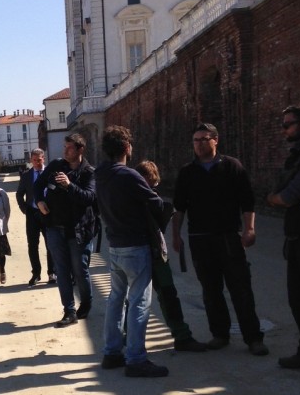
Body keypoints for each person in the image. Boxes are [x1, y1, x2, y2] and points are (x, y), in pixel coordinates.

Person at [171, 122, 268, 356]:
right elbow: (179, 207)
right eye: (196, 140)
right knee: (211, 290)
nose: (200, 144)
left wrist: (250, 229)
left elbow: (247, 201)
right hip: (199, 239)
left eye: (205, 139)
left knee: (240, 288)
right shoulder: (187, 172)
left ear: (216, 140)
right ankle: (220, 334)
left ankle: (253, 337)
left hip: (228, 237)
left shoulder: (232, 166)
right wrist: (176, 235)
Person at [95, 125, 168, 377]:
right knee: (139, 302)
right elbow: (156, 203)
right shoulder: (129, 175)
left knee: (116, 300)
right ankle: (136, 358)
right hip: (135, 245)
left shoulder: (100, 175)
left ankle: (112, 352)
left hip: (114, 245)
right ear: (127, 148)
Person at [267, 102, 300, 370]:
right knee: (299, 299)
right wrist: (289, 195)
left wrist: (288, 195)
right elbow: (274, 192)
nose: (283, 129)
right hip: (299, 235)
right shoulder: (298, 154)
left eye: (287, 124)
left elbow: (284, 196)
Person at [135, 160, 208, 352]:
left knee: (166, 295)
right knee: (139, 298)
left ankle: (181, 336)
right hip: (143, 253)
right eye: (149, 183)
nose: (152, 187)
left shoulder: (149, 197)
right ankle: (129, 341)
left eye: (153, 184)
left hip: (155, 253)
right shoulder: (135, 198)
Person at [34, 133, 97, 326]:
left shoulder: (89, 172)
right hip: (54, 227)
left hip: (78, 231)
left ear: (80, 150)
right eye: (65, 147)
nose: (65, 151)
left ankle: (85, 302)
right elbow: (38, 184)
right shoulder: (56, 166)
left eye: (70, 148)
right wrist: (40, 200)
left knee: (80, 270)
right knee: (61, 270)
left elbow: (89, 197)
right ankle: (69, 311)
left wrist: (69, 186)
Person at [16, 148, 54, 286]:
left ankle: (52, 273)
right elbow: (19, 194)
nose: (37, 163)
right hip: (32, 213)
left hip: (48, 213)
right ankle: (36, 273)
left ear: (43, 158)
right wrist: (24, 209)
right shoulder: (26, 176)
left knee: (51, 243)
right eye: (34, 160)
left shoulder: (50, 174)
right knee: (33, 245)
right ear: (31, 160)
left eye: (39, 160)